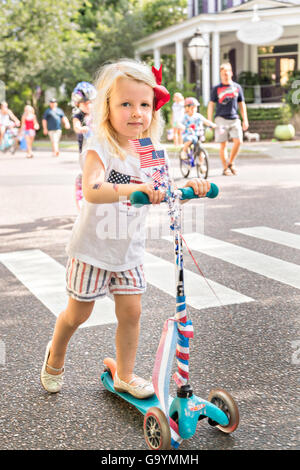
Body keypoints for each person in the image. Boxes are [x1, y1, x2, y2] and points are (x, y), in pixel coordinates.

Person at [40, 59, 210, 397]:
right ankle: (55, 353)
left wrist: (192, 189)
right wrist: (131, 190)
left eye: (144, 105)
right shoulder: (100, 146)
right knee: (78, 314)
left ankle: (126, 374)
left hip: (129, 251)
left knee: (132, 312)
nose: (137, 113)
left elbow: (165, 192)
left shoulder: (150, 150)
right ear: (107, 108)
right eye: (126, 104)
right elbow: (92, 188)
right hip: (92, 249)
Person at [207, 63, 249, 176]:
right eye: (223, 73)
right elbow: (211, 104)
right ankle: (225, 168)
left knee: (239, 141)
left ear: (231, 73)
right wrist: (210, 120)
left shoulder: (237, 87)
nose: (225, 75)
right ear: (221, 74)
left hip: (234, 118)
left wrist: (245, 119)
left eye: (227, 72)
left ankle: (230, 162)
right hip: (220, 119)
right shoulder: (216, 88)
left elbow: (241, 104)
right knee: (223, 144)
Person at [71, 82, 97, 210]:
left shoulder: (98, 115)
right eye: (84, 103)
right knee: (87, 172)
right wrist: (80, 128)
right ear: (78, 104)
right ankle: (81, 188)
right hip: (85, 150)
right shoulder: (78, 115)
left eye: (90, 102)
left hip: (99, 148)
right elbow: (76, 126)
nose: (88, 105)